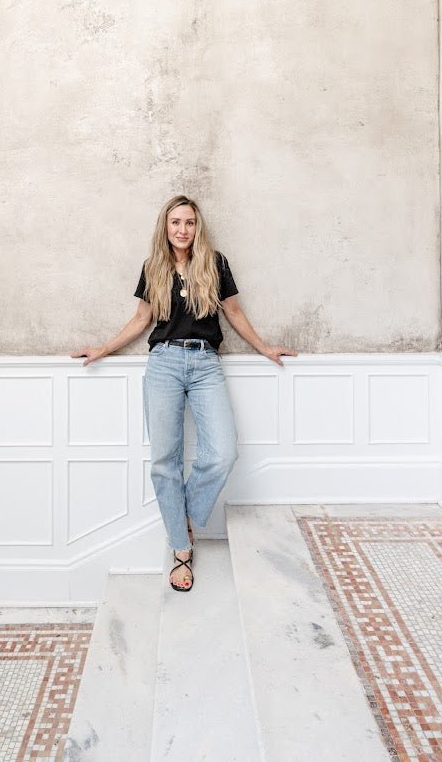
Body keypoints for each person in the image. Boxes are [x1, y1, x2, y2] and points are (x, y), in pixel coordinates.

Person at [71, 195, 296, 592]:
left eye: (189, 222)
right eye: (175, 222)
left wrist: (264, 348)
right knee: (165, 461)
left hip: (206, 362)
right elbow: (142, 319)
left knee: (223, 452)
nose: (182, 229)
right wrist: (103, 349)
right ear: (166, 225)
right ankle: (181, 548)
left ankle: (183, 517)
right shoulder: (153, 267)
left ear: (197, 226)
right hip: (164, 362)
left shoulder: (215, 263)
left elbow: (233, 312)